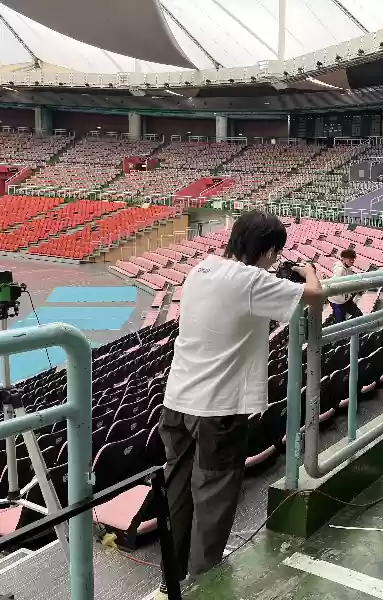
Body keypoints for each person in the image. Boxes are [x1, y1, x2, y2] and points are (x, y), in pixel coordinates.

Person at [155, 210, 322, 599]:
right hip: (218, 411)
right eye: (275, 254)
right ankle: (204, 583)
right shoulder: (251, 280)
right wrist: (309, 270)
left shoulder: (200, 269)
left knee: (177, 488)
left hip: (177, 401)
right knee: (214, 496)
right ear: (266, 250)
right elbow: (316, 296)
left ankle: (172, 575)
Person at [329, 248, 363, 322]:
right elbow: (335, 285)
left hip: (346, 299)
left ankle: (361, 332)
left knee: (359, 315)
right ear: (343, 259)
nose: (352, 261)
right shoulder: (340, 270)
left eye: (353, 259)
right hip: (337, 301)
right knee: (341, 322)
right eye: (349, 259)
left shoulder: (348, 268)